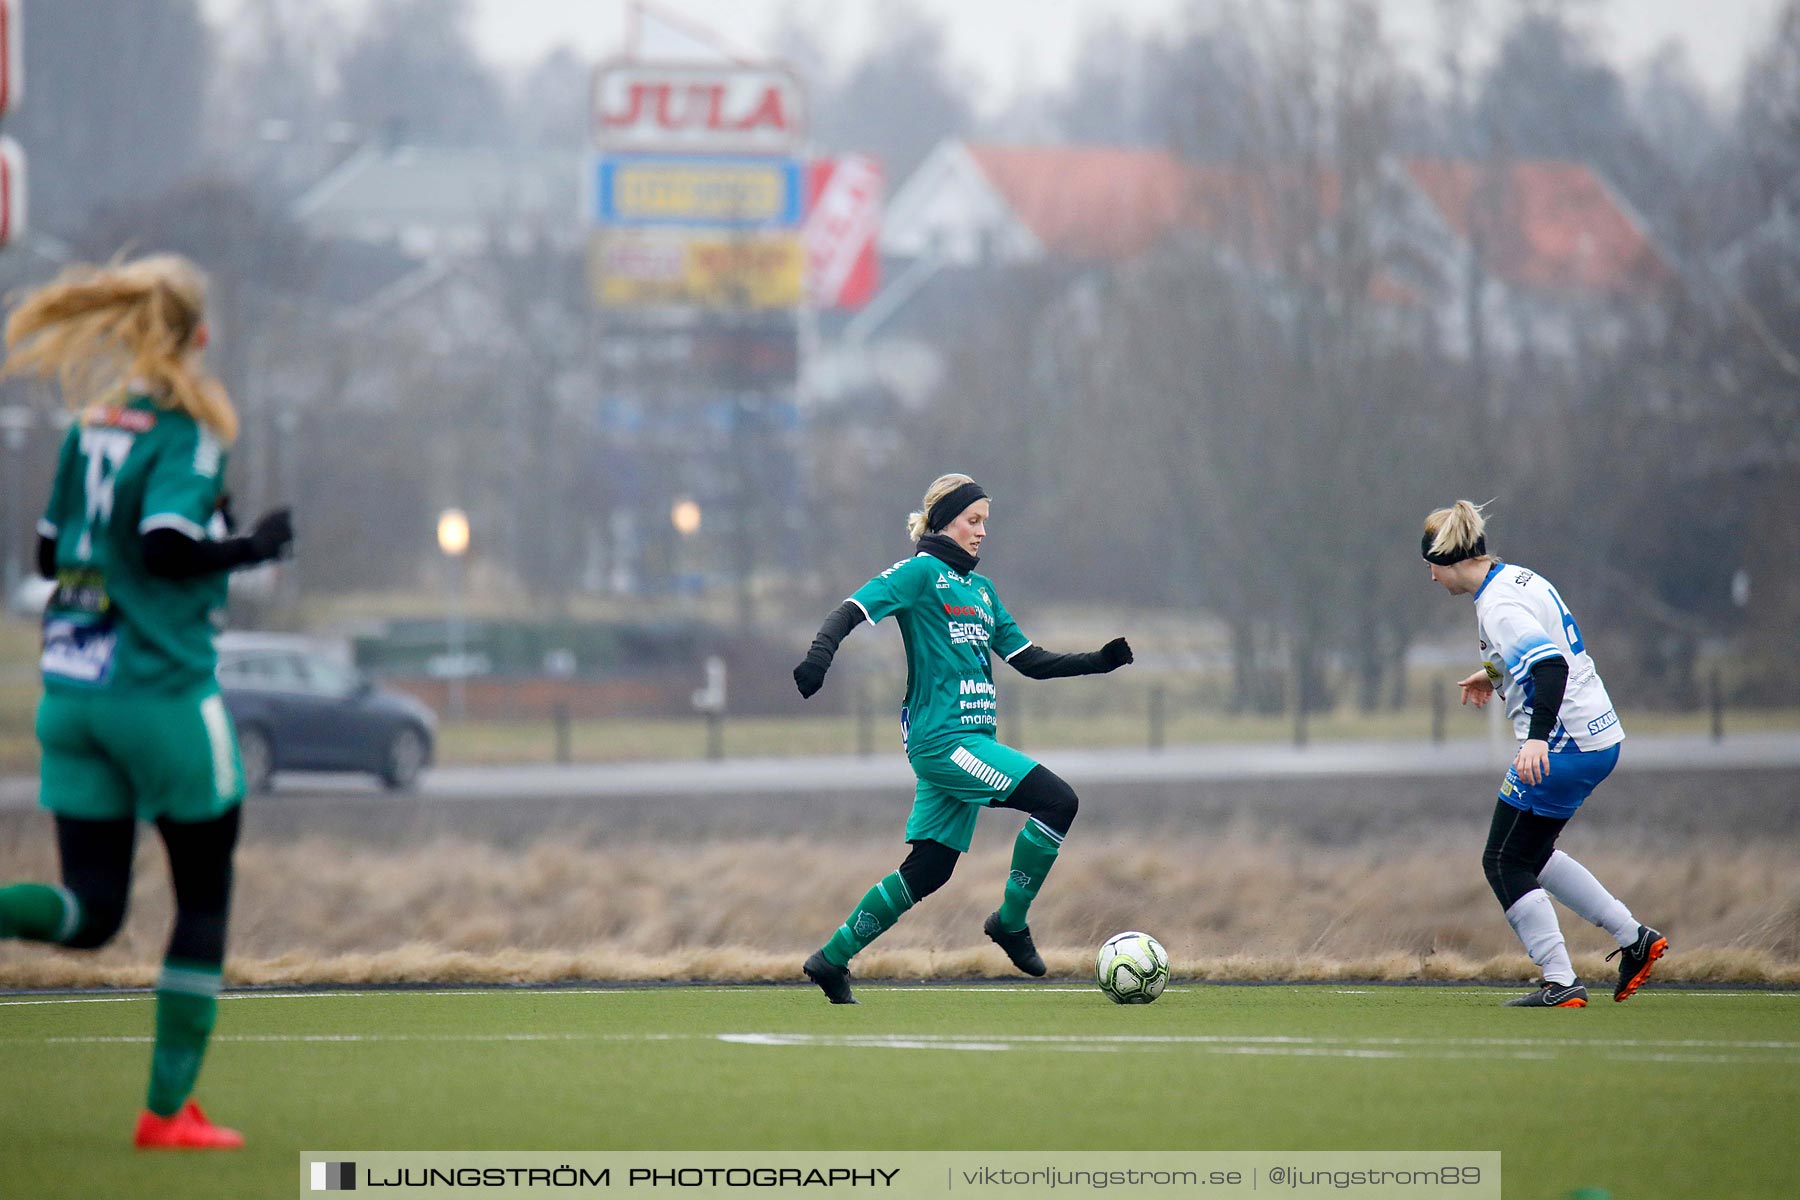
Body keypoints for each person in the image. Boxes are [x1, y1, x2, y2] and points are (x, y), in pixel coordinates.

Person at [0, 255, 293, 1147]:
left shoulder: (91, 426)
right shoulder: (192, 429)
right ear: (199, 336)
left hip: (73, 695)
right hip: (160, 693)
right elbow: (166, 545)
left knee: (90, 915)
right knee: (203, 899)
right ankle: (167, 1114)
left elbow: (51, 556)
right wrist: (250, 547)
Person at [792, 474, 1133, 1003]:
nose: (981, 532)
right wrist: (820, 655)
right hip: (942, 742)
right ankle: (1010, 923)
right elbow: (851, 609)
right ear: (943, 520)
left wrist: (1099, 661)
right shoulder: (920, 573)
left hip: (968, 741)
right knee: (1058, 801)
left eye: (985, 523)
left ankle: (830, 959)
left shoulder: (982, 590)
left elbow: (1032, 662)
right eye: (973, 521)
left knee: (929, 870)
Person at [1422, 500, 1666, 1008]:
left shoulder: (1497, 605)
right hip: (1597, 736)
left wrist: (1536, 737)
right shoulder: (1516, 578)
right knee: (1534, 854)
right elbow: (1539, 647)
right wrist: (1490, 676)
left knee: (1504, 861)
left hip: (1563, 743)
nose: (1430, 578)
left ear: (1448, 560)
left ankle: (1560, 979)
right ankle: (1635, 939)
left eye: (1431, 566)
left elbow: (1550, 666)